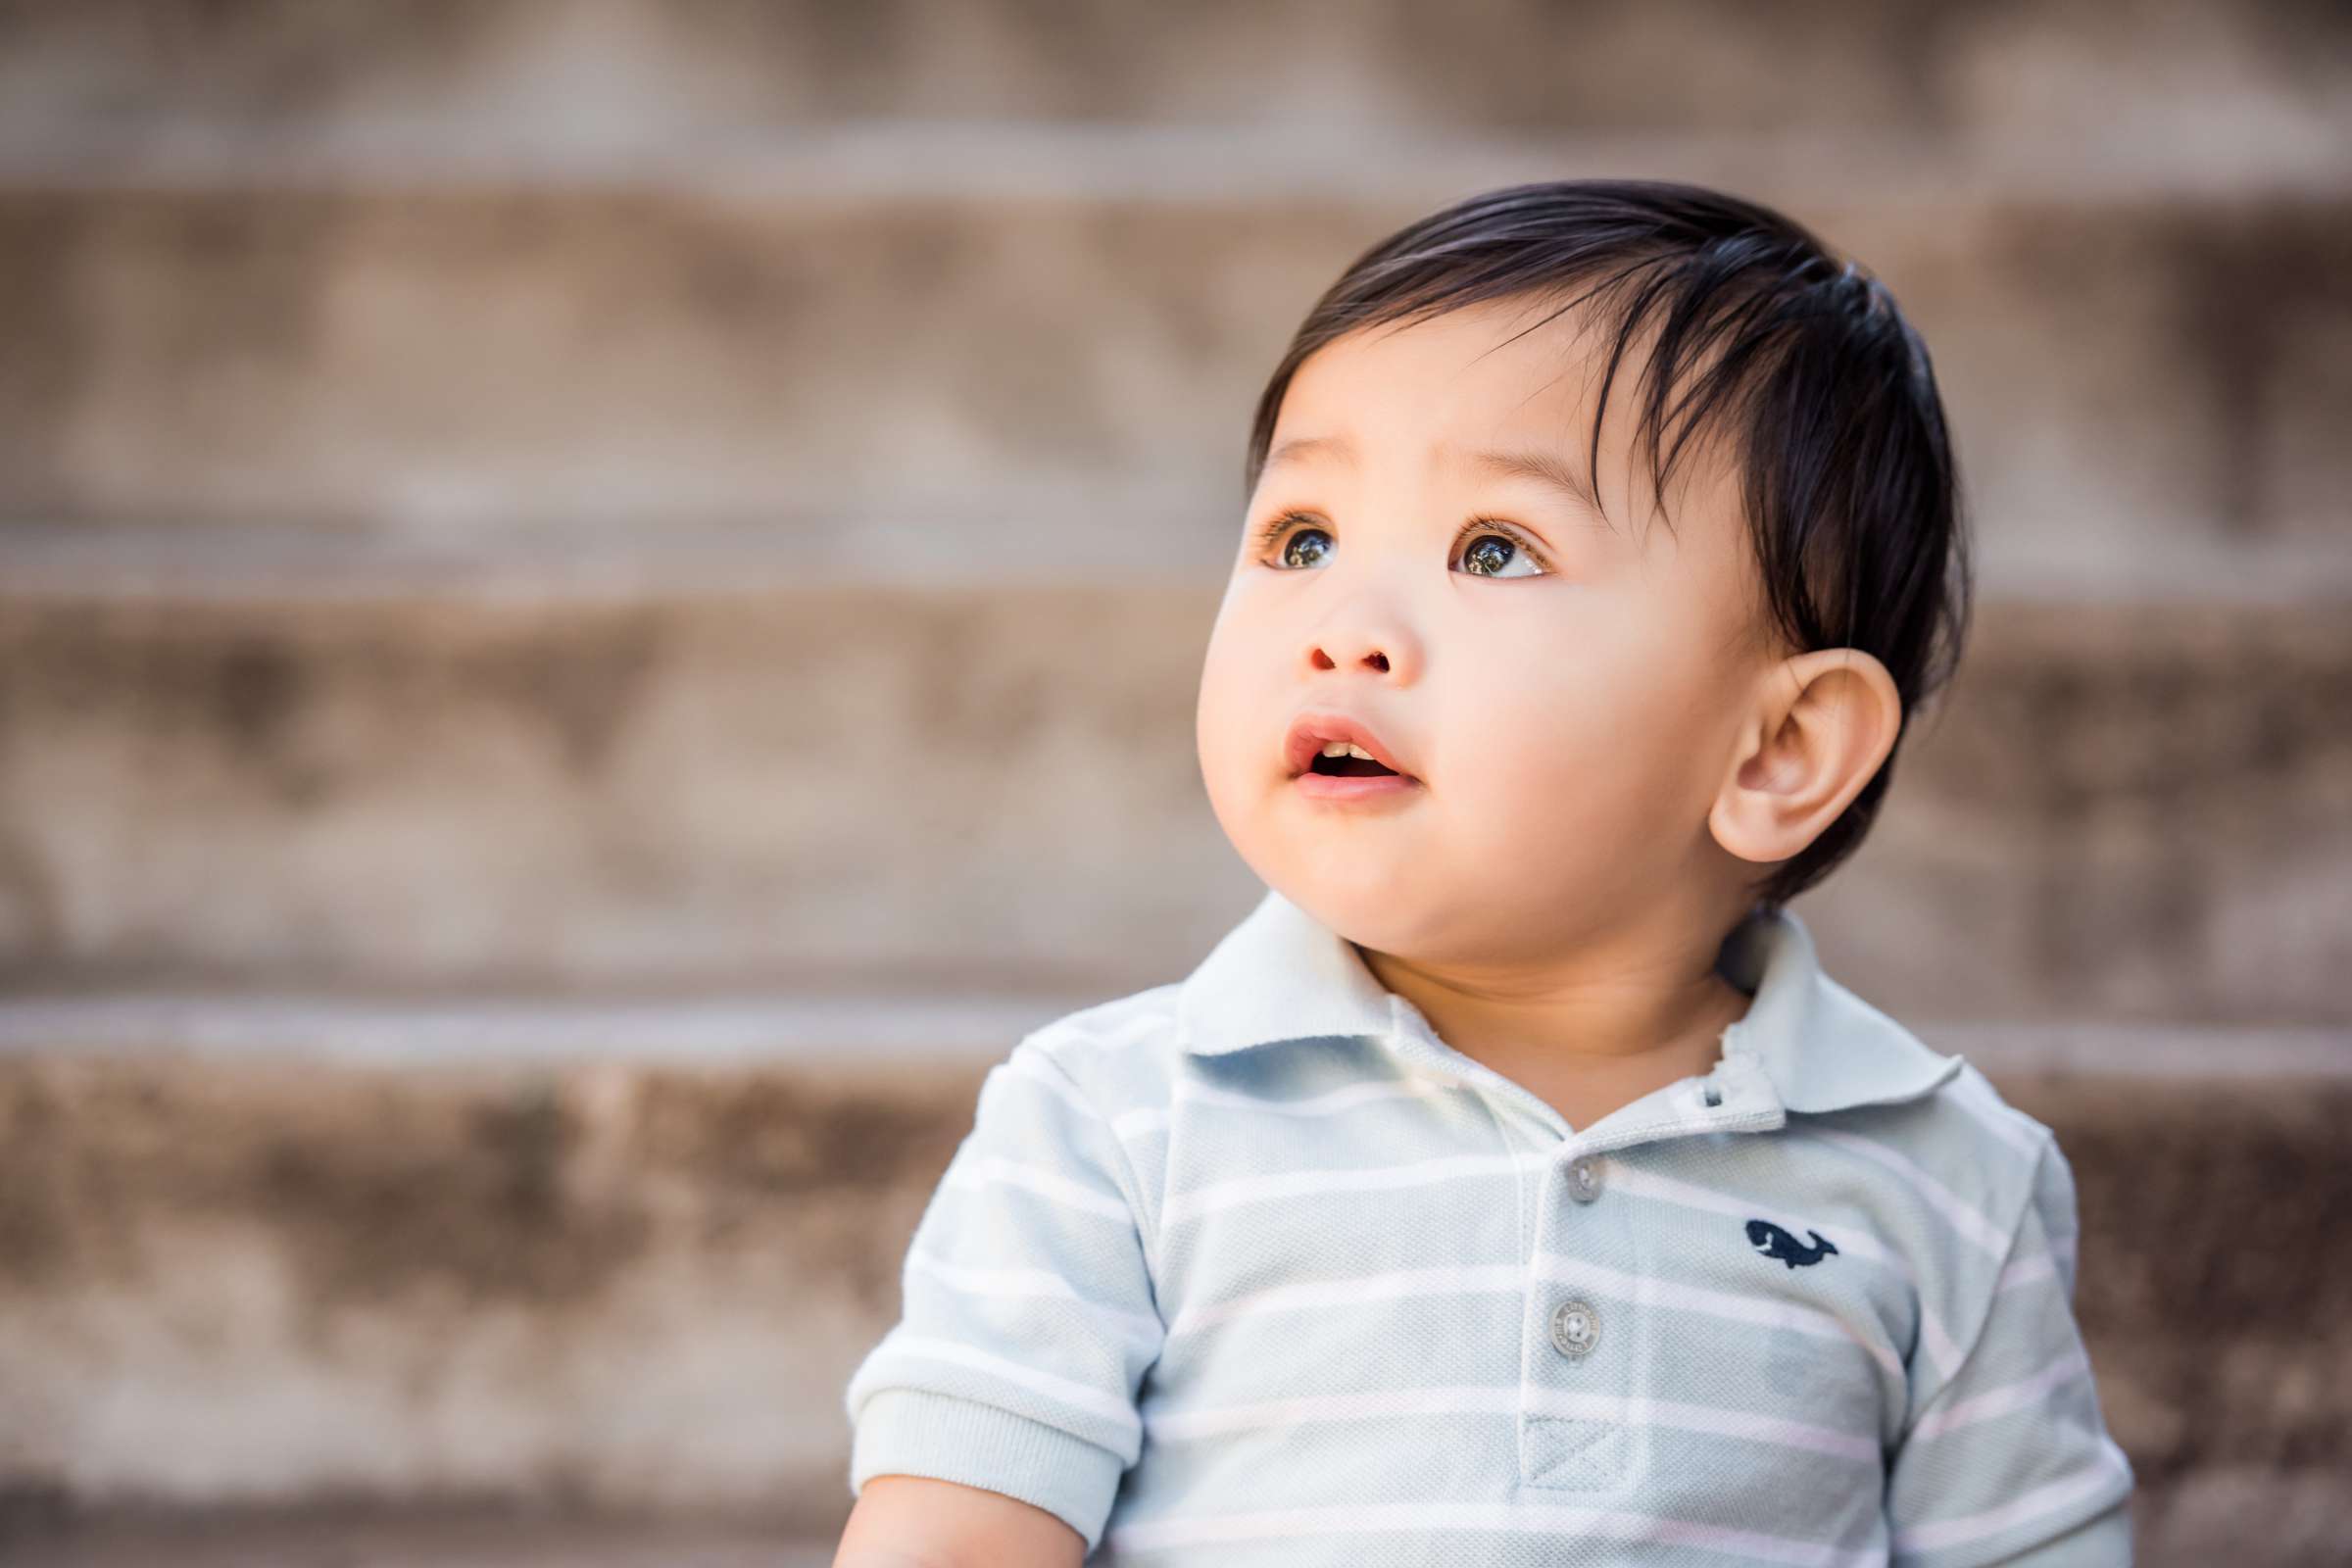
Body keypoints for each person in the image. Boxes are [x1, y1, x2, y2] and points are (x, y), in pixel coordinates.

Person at [831, 179, 2135, 1566]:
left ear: (1778, 750)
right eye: (1303, 539)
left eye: (1493, 551)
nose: (1346, 627)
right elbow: (953, 1533)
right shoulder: (1113, 1122)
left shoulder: (1942, 1180)